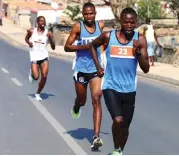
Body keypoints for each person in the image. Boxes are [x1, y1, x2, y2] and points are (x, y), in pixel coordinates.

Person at [89, 7, 150, 155]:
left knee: (125, 127)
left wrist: (139, 52)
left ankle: (119, 150)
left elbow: (146, 68)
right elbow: (92, 46)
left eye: (132, 23)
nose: (129, 26)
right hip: (111, 86)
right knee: (117, 120)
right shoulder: (108, 37)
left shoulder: (140, 39)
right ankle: (117, 149)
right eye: (126, 22)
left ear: (135, 23)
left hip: (129, 89)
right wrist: (98, 66)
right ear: (120, 22)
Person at [64, 2, 105, 150]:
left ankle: (96, 137)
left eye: (91, 13)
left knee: (96, 99)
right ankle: (76, 106)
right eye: (86, 14)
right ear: (83, 14)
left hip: (95, 69)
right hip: (81, 69)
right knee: (82, 100)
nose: (89, 16)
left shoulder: (101, 26)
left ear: (95, 13)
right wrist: (84, 47)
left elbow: (105, 42)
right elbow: (66, 47)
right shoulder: (77, 27)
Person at [25, 16, 55, 101]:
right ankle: (32, 73)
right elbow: (26, 38)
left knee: (44, 76)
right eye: (41, 21)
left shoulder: (48, 33)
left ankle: (38, 93)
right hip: (34, 56)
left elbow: (53, 47)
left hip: (44, 57)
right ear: (37, 23)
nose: (43, 23)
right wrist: (29, 43)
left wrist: (51, 39)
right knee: (36, 77)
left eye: (44, 21)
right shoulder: (32, 31)